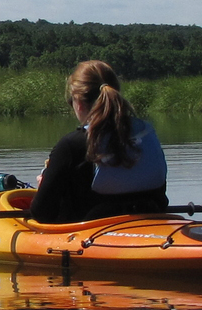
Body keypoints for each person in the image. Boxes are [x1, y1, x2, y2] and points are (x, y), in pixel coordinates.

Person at [29, 60, 169, 224]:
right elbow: (160, 198)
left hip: (92, 233)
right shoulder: (146, 132)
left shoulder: (72, 144)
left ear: (79, 103)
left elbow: (42, 214)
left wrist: (44, 186)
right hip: (153, 224)